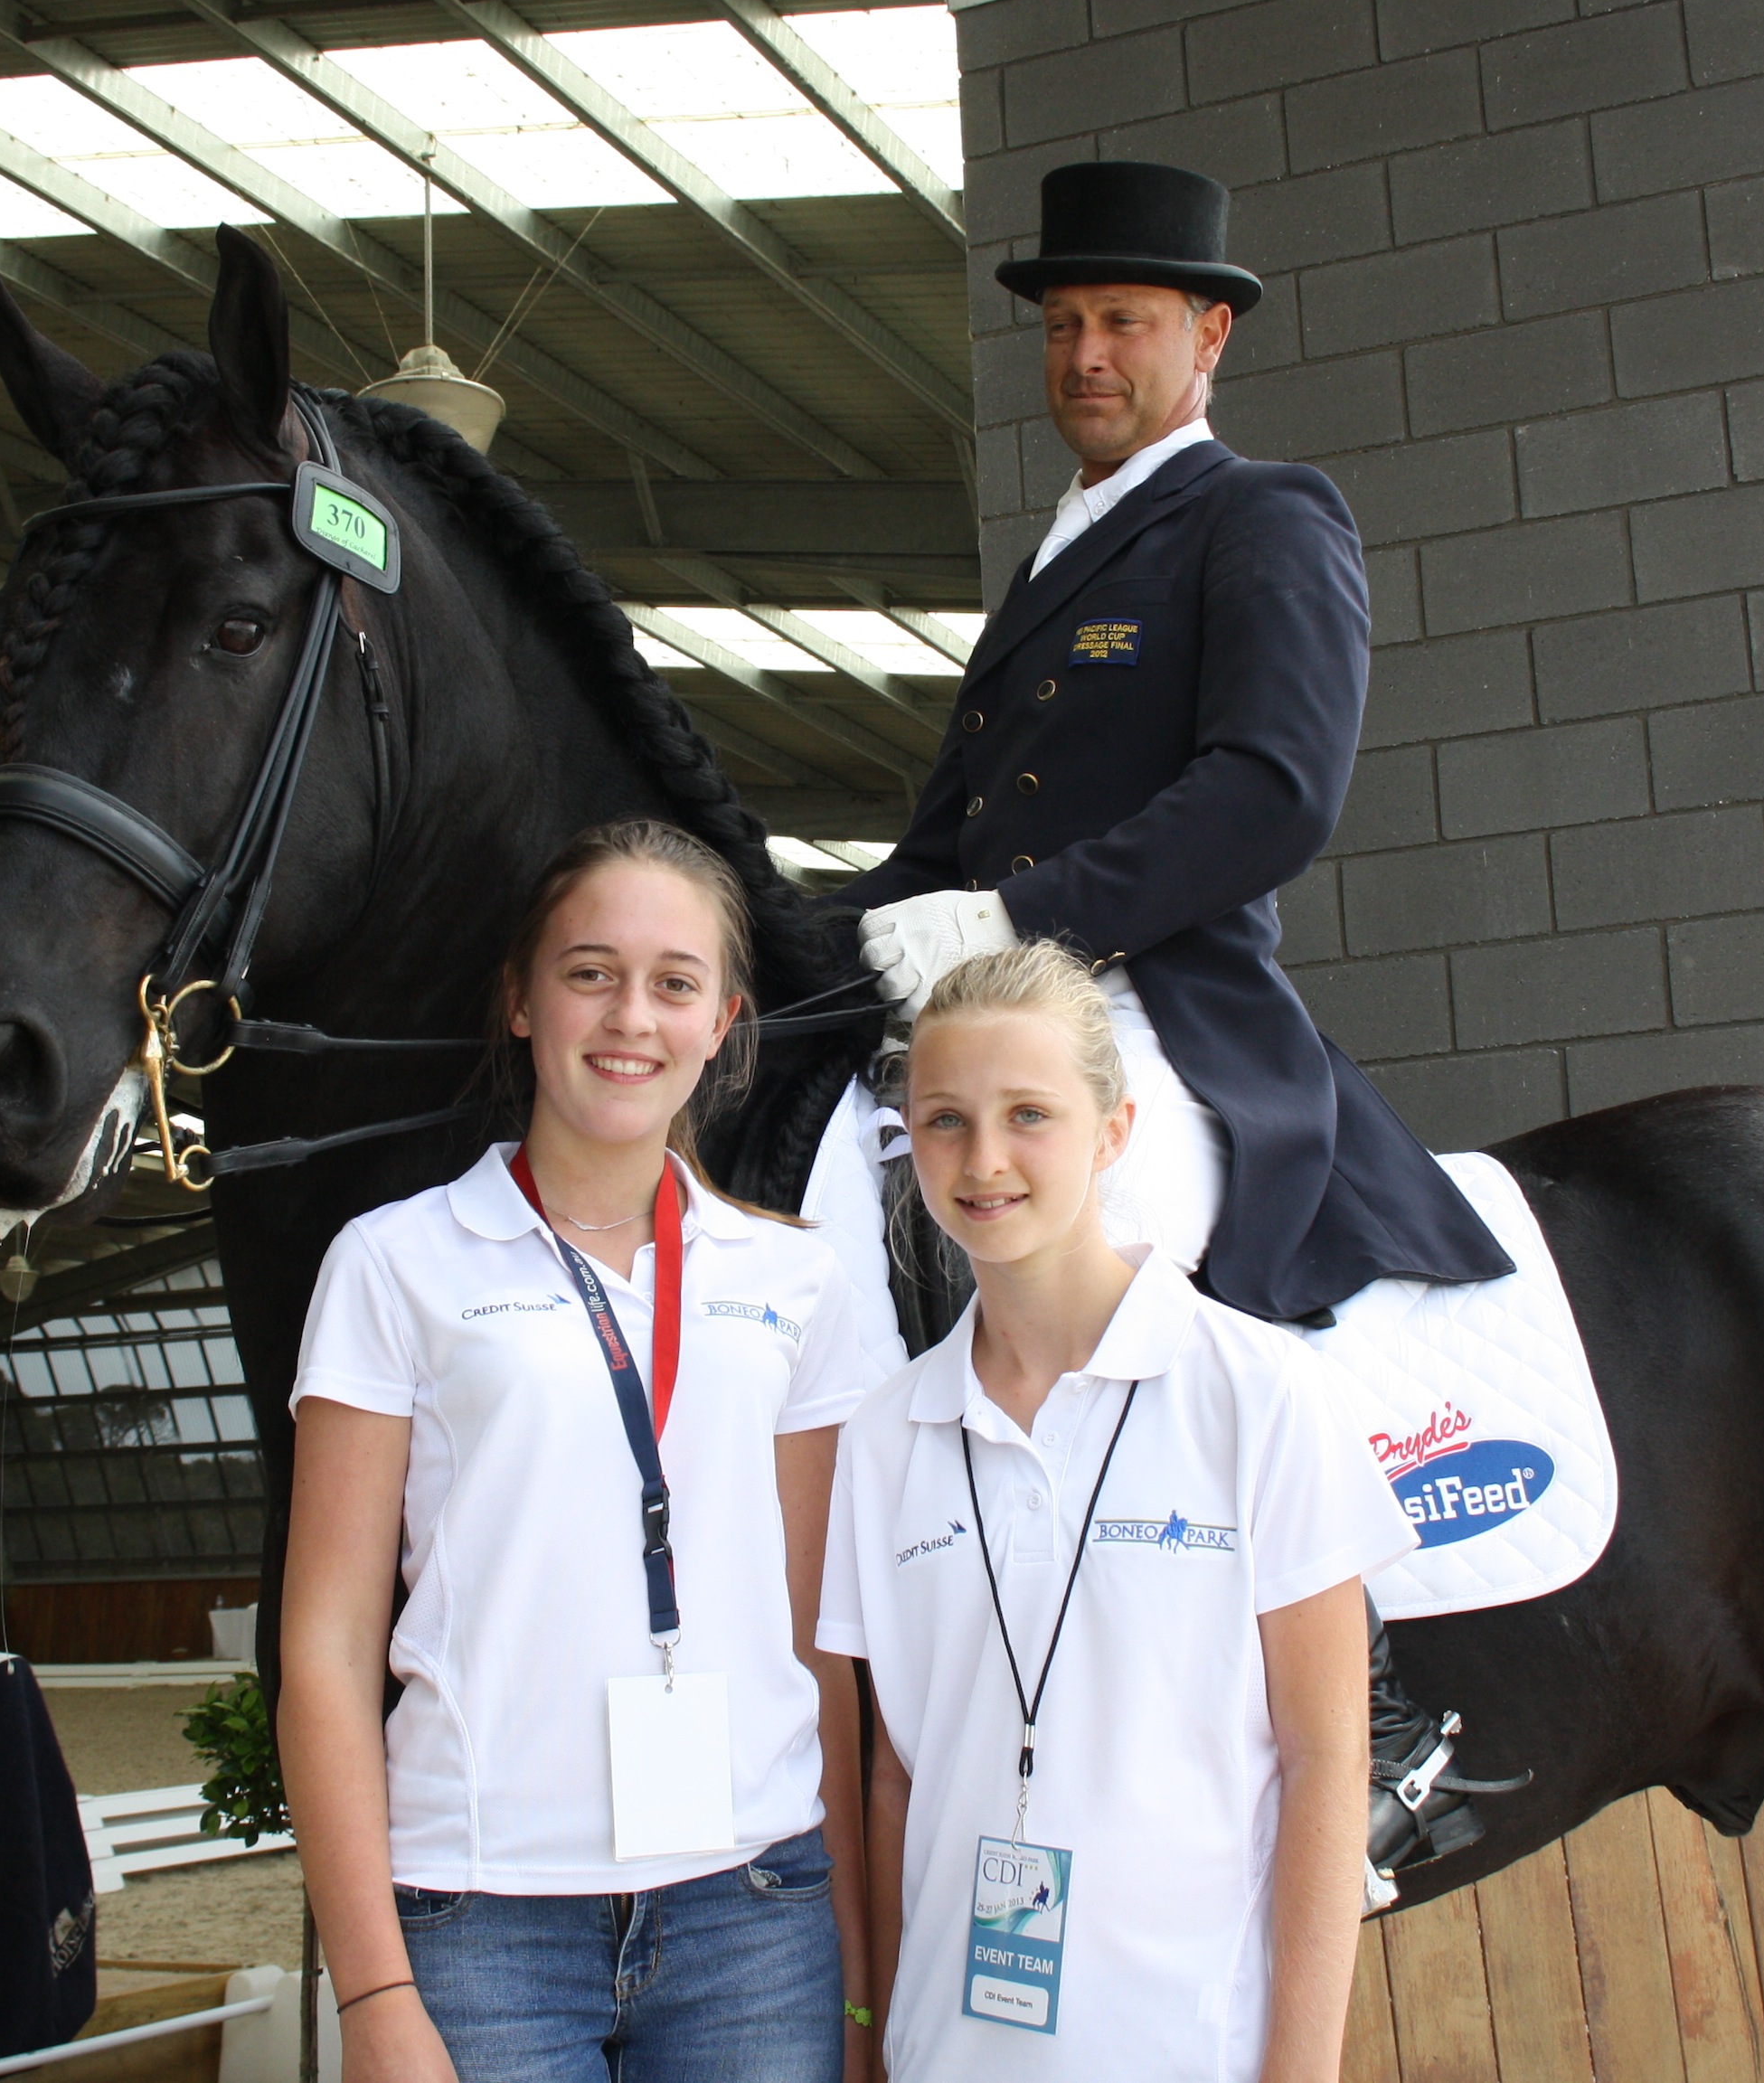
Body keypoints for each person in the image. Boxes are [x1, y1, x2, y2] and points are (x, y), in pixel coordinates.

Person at [835, 157, 1514, 1324]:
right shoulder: (1045, 567)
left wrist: (1013, 917)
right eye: (1060, 325)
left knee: (1076, 1253)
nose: (1084, 354)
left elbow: (1270, 791)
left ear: (1207, 338)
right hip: (995, 1010)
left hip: (1152, 1013)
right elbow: (938, 847)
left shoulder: (1259, 513)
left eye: (1119, 323)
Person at [278, 821, 880, 2083]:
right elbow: (325, 1648)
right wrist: (373, 1989)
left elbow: (814, 1638)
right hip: (478, 1919)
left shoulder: (795, 1279)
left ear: (723, 1019)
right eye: (588, 970)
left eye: (673, 981)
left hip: (751, 1911)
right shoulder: (393, 1263)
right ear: (518, 998)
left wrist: (858, 1969)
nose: (630, 1016)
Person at [819, 941, 1413, 2082]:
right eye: (944, 1120)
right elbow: (897, 1772)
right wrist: (877, 2042)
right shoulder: (883, 1436)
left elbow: (1328, 1756)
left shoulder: (1257, 1392)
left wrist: (1301, 2067)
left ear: (1114, 1130)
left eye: (1028, 1113)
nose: (983, 1159)